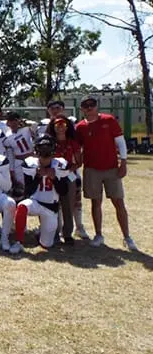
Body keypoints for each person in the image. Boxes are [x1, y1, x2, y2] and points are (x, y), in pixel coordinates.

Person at [75, 95, 137, 250]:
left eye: (92, 104)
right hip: (91, 169)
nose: (90, 108)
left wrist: (123, 162)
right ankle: (99, 235)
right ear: (81, 109)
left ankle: (127, 237)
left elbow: (120, 142)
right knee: (95, 202)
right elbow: (78, 148)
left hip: (111, 168)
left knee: (118, 202)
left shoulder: (109, 120)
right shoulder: (80, 127)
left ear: (97, 106)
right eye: (86, 105)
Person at [9, 136, 71, 254]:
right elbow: (28, 191)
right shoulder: (30, 164)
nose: (45, 153)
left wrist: (54, 178)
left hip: (51, 207)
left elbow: (64, 192)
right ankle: (18, 242)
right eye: (42, 149)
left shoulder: (60, 165)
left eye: (47, 148)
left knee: (46, 244)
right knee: (22, 206)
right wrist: (38, 176)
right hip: (35, 202)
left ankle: (40, 235)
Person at [46, 115, 89, 242]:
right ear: (53, 127)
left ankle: (67, 233)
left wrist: (68, 170)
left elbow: (79, 162)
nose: (60, 127)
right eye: (57, 125)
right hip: (53, 176)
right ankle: (54, 232)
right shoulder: (49, 143)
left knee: (68, 205)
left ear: (67, 127)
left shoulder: (73, 142)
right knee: (53, 205)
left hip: (69, 175)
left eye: (63, 124)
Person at [3, 112, 35, 194]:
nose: (12, 123)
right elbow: (10, 154)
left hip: (31, 158)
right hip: (18, 161)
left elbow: (35, 125)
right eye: (10, 121)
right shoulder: (7, 136)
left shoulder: (27, 129)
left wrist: (26, 122)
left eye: (14, 120)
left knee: (34, 181)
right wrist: (11, 169)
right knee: (21, 185)